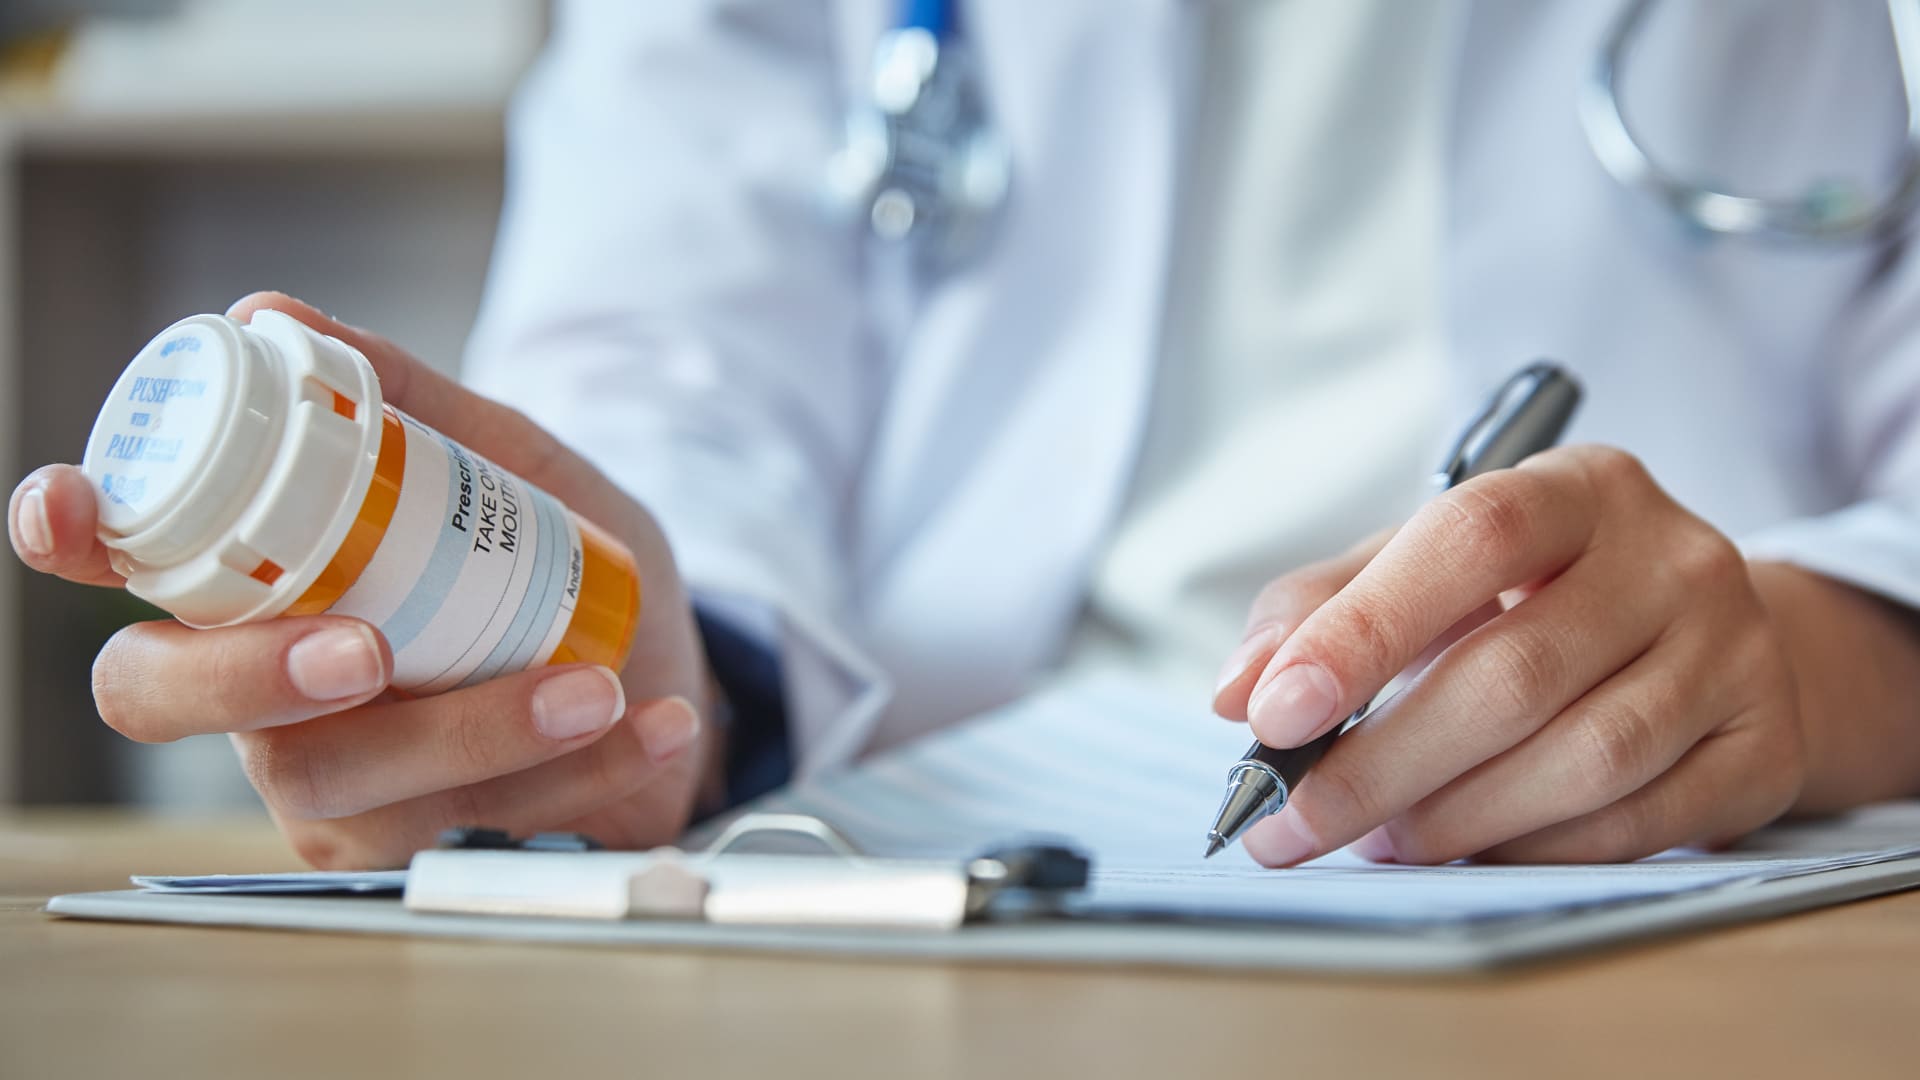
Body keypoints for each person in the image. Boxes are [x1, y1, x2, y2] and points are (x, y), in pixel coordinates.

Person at [10, 0, 1920, 871]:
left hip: (1689, 885)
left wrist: (1800, 668)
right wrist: (645, 694)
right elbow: (665, 350)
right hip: (922, 865)